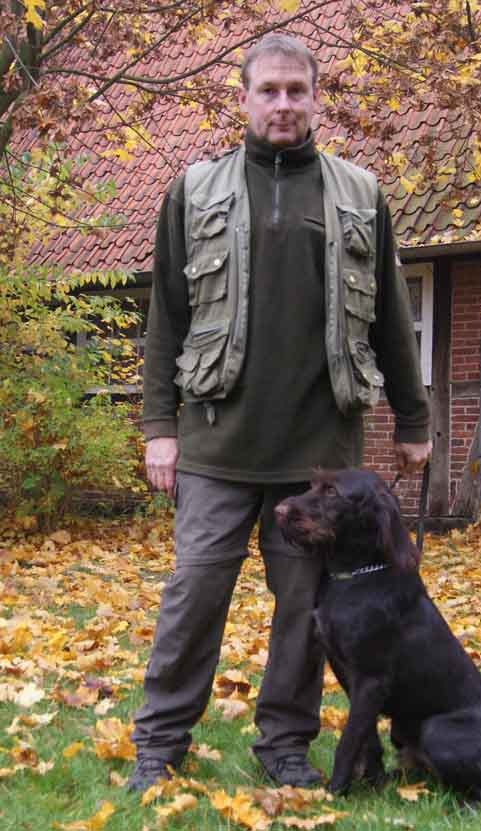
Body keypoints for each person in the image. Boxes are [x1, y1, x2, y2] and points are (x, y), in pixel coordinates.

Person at [128, 32, 432, 792]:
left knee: (303, 611)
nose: (284, 104)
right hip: (214, 444)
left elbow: (392, 318)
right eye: (269, 90)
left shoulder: (360, 194)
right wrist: (158, 426)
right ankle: (159, 744)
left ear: (317, 99)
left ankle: (286, 746)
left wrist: (414, 420)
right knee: (194, 596)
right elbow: (166, 317)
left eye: (297, 90)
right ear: (244, 98)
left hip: (319, 457)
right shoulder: (194, 190)